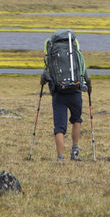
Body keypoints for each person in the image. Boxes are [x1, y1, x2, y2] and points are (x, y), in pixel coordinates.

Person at [40, 30, 92, 161]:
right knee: (76, 119)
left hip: (58, 94)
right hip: (75, 92)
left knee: (59, 127)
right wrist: (89, 88)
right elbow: (85, 73)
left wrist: (43, 81)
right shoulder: (75, 52)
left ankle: (60, 157)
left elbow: (46, 72)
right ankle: (75, 152)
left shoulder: (52, 52)